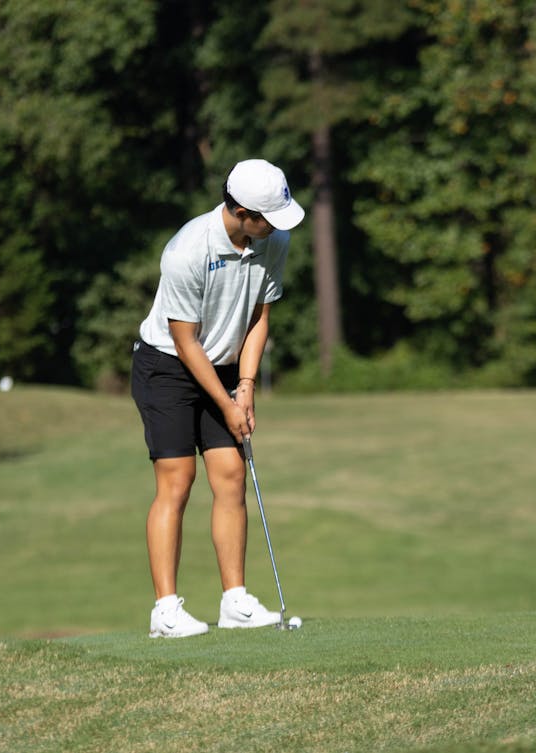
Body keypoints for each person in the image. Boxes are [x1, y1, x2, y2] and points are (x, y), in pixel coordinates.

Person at [131, 159, 305, 638]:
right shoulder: (187, 249)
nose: (275, 228)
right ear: (242, 211)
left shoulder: (275, 240)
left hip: (224, 365)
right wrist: (226, 403)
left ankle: (235, 602)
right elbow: (185, 341)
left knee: (230, 475)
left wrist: (245, 388)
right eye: (268, 218)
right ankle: (165, 610)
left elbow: (258, 319)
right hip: (167, 365)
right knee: (178, 479)